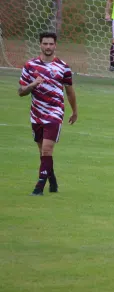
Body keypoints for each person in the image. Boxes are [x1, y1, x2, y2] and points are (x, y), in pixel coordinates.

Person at [18, 32, 78, 196]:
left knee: (46, 150)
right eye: (45, 44)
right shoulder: (30, 66)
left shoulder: (63, 67)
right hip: (36, 114)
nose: (48, 47)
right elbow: (21, 91)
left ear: (55, 45)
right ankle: (53, 182)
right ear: (40, 45)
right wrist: (33, 84)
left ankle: (38, 188)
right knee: (43, 153)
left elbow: (70, 91)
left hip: (55, 113)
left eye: (51, 44)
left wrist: (74, 111)